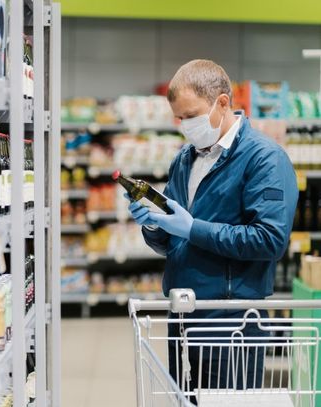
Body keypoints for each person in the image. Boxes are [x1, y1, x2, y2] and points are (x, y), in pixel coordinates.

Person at [126, 60, 298, 397]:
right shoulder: (184, 159)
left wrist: (193, 229)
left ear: (222, 103)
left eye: (191, 115)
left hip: (231, 320)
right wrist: (155, 226)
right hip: (184, 315)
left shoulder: (264, 159)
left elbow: (270, 240)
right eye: (179, 118)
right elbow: (175, 241)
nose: (185, 125)